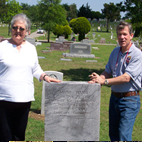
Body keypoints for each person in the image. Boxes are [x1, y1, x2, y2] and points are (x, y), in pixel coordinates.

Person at [0, 13, 61, 141]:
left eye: (21, 28)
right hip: (3, 100)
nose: (17, 31)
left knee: (19, 137)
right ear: (11, 29)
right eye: (15, 27)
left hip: (24, 100)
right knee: (4, 136)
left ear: (27, 31)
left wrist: (45, 76)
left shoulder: (31, 48)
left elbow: (35, 68)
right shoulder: (2, 47)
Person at [89, 21, 142, 141]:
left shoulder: (137, 54)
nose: (122, 37)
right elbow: (107, 71)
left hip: (129, 100)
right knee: (113, 135)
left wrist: (105, 82)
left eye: (125, 34)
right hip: (114, 99)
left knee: (123, 136)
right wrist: (99, 79)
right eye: (119, 34)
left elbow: (126, 77)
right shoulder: (115, 52)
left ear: (131, 35)